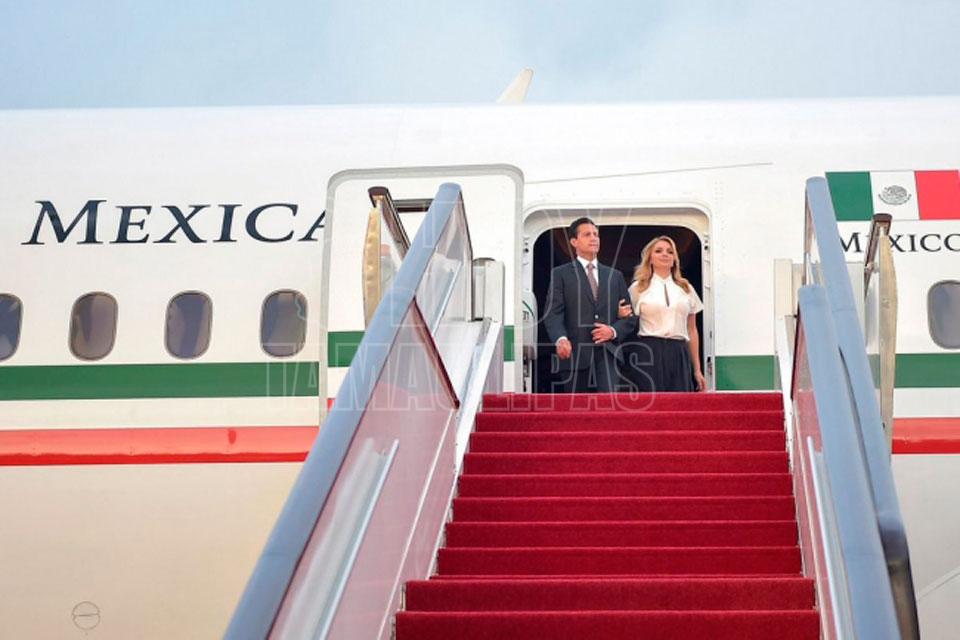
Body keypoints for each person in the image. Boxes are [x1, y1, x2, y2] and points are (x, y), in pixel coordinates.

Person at [543, 217, 635, 393]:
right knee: (576, 408)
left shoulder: (615, 276)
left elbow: (629, 318)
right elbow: (553, 313)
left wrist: (612, 331)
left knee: (608, 407)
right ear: (574, 242)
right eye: (587, 235)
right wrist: (560, 339)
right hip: (574, 355)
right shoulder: (560, 274)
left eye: (596, 234)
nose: (593, 238)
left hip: (608, 354)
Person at [619, 235, 706, 392]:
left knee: (679, 402)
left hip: (679, 351)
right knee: (652, 402)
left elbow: (692, 330)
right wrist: (620, 314)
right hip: (648, 352)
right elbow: (626, 322)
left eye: (670, 252)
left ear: (674, 259)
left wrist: (697, 370)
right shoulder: (638, 288)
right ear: (650, 259)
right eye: (658, 251)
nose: (665, 254)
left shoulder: (686, 288)